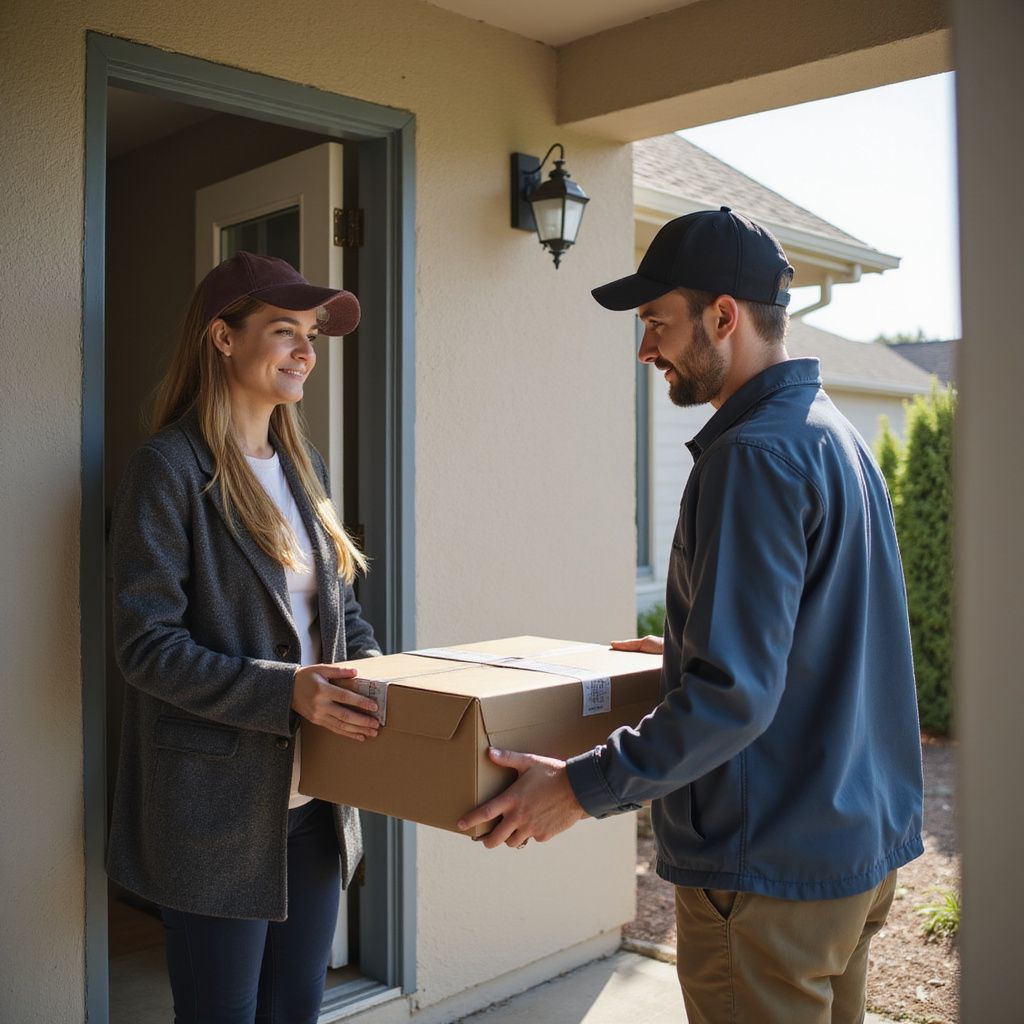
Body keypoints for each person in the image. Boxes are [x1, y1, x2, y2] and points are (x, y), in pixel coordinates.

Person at [458, 208, 924, 1024]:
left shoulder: (752, 455)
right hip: (852, 857)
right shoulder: (833, 436)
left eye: (655, 322)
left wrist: (574, 788)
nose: (646, 349)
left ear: (722, 316)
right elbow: (830, 630)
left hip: (765, 874)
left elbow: (732, 697)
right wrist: (689, 639)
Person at [106, 251, 384, 1024]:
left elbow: (340, 617)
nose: (306, 350)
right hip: (213, 811)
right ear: (222, 339)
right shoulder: (166, 471)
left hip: (316, 802)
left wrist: (378, 680)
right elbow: (145, 644)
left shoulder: (304, 466)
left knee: (295, 1008)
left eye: (313, 335)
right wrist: (285, 690)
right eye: (285, 330)